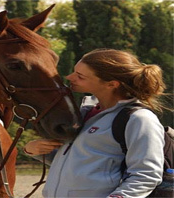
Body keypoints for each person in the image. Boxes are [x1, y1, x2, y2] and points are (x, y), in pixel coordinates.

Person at [24, 49, 167, 197]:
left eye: (80, 76)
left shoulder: (139, 119)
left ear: (111, 84)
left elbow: (146, 175)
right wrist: (34, 150)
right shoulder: (84, 112)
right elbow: (82, 163)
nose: (69, 77)